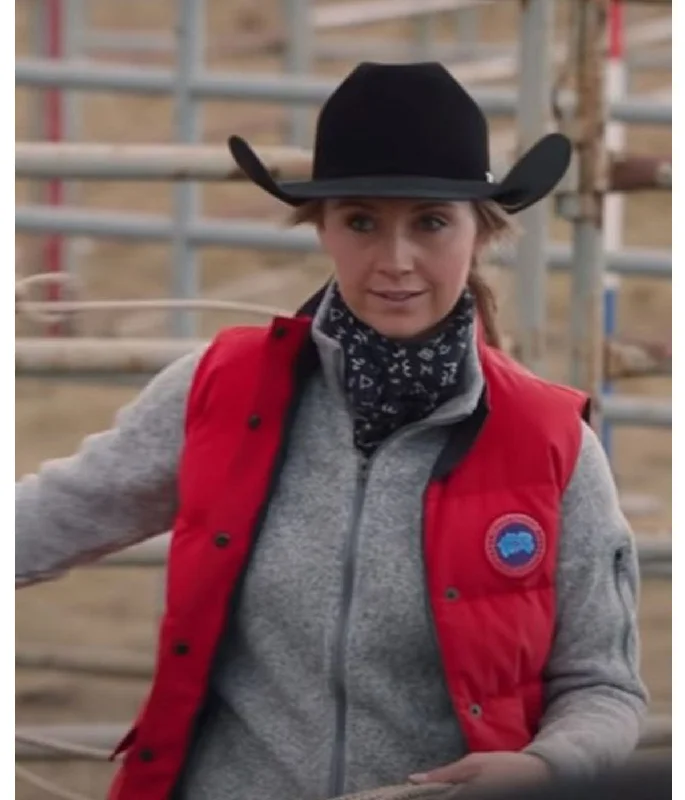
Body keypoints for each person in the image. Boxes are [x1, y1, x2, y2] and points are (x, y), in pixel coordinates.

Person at [16, 62, 648, 800]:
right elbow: (47, 519)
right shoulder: (218, 389)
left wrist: (545, 767)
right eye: (360, 221)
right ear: (321, 228)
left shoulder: (548, 441)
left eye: (431, 222)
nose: (395, 261)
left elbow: (602, 685)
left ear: (481, 233)